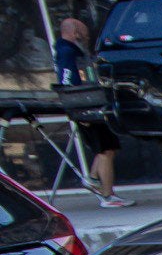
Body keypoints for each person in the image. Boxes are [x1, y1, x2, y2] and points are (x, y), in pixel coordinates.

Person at [54, 16, 132, 208]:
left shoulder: (74, 51)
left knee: (108, 148)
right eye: (82, 31)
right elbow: (67, 81)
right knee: (105, 150)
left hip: (91, 105)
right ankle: (108, 195)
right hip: (86, 107)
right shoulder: (67, 52)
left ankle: (93, 178)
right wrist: (79, 109)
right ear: (74, 32)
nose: (85, 35)